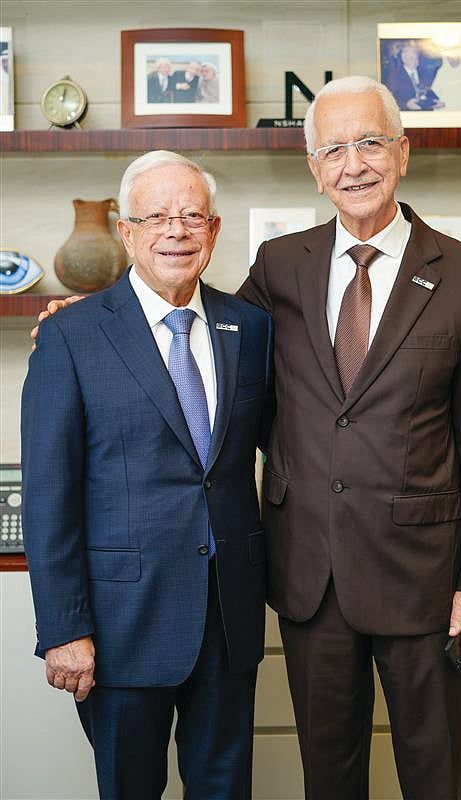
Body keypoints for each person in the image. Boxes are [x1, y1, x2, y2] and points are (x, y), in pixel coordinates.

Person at [237, 75, 461, 800]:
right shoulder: (278, 267)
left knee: (434, 776)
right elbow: (209, 343)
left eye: (369, 143)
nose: (353, 164)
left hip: (426, 579)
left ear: (403, 152)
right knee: (328, 779)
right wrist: (97, 315)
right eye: (333, 149)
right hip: (311, 572)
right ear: (313, 168)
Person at [21, 150, 274, 800]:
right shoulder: (72, 335)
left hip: (228, 617)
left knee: (226, 790)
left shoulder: (249, 327)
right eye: (156, 216)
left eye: (191, 216)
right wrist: (64, 628)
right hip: (119, 624)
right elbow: (49, 497)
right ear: (126, 232)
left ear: (213, 230)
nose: (175, 231)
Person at [385, 42, 442, 111]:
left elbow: (428, 91)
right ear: (404, 59)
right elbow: (389, 99)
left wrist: (436, 101)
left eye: (416, 58)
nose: (415, 62)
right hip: (407, 114)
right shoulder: (395, 76)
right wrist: (406, 105)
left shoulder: (424, 74)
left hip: (426, 113)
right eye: (411, 59)